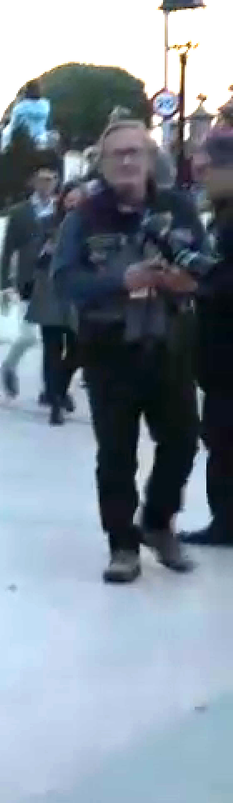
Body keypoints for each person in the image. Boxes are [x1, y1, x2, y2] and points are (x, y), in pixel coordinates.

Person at [52, 120, 207, 583]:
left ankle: (157, 523)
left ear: (148, 159)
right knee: (116, 452)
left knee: (181, 442)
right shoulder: (83, 217)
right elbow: (65, 281)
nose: (125, 161)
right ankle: (122, 546)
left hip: (169, 343)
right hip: (109, 350)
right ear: (101, 163)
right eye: (116, 153)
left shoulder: (178, 208)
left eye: (134, 152)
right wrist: (121, 280)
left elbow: (206, 267)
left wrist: (186, 281)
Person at [181, 129, 233, 547]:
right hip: (217, 356)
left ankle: (226, 524)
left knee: (223, 441)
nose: (200, 178)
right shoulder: (220, 216)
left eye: (206, 170)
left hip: (227, 355)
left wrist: (194, 282)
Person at [0, 165, 64, 403]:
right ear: (34, 183)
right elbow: (7, 251)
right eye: (42, 180)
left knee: (52, 341)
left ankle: (50, 389)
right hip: (27, 281)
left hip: (51, 282)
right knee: (28, 336)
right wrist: (3, 284)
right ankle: (9, 366)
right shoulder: (20, 212)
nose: (46, 185)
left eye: (51, 180)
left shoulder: (60, 211)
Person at [23, 182, 87, 426]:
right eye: (69, 200)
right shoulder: (47, 222)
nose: (73, 205)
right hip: (50, 289)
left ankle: (57, 390)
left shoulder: (90, 224)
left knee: (77, 347)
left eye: (78, 200)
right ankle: (55, 400)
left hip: (77, 291)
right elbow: (33, 254)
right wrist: (45, 250)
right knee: (52, 347)